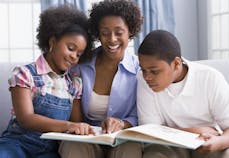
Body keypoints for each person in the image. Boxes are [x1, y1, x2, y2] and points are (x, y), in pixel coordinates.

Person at [0, 5, 94, 158]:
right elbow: (26, 118)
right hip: (16, 144)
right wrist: (68, 126)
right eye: (70, 48)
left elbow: (76, 122)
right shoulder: (25, 74)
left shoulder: (74, 84)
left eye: (79, 54)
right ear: (52, 41)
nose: (74, 57)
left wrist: (82, 128)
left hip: (48, 151)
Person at [59, 0, 143, 158]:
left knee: (131, 148)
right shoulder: (80, 65)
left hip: (122, 137)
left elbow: (143, 113)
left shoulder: (140, 69)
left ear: (130, 32)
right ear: (98, 34)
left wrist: (122, 123)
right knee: (74, 146)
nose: (112, 39)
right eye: (105, 33)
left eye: (119, 32)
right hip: (87, 137)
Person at [137, 29, 229, 158]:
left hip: (207, 141)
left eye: (154, 71)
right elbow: (150, 131)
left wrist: (218, 142)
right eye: (143, 69)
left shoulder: (210, 77)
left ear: (177, 63)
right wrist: (196, 131)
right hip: (167, 144)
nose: (147, 77)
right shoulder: (143, 79)